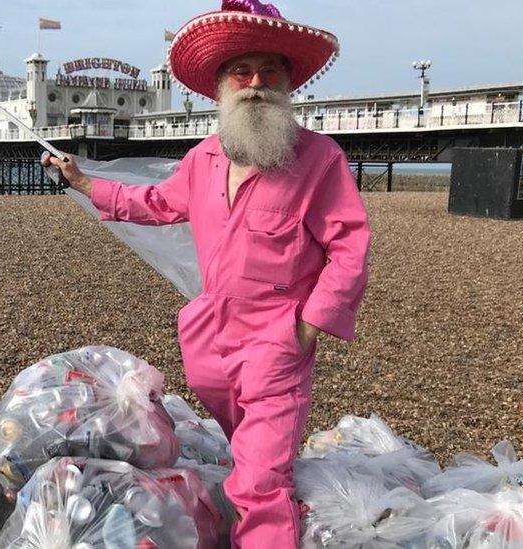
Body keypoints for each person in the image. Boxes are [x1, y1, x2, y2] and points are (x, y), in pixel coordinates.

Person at [43, 1, 370, 546]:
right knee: (247, 451)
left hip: (278, 339)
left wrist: (312, 321)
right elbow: (154, 202)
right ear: (220, 85)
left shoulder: (319, 159)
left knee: (261, 482)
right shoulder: (204, 158)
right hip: (209, 338)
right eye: (242, 71)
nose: (256, 83)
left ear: (288, 81)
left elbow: (350, 244)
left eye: (270, 71)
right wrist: (83, 183)